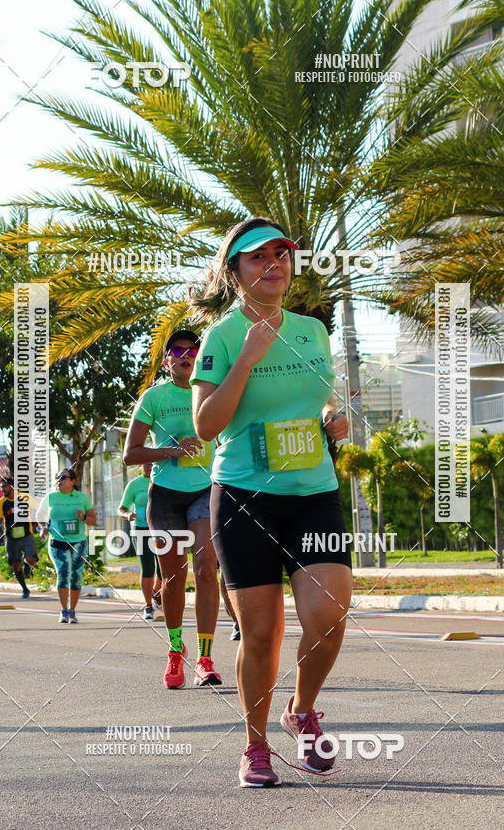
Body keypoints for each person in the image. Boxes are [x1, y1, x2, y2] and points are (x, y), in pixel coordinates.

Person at [190, 217, 352, 787]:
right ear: (234, 272)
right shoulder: (223, 337)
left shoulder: (311, 330)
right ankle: (254, 746)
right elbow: (207, 425)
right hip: (243, 498)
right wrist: (247, 358)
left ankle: (302, 711)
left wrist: (333, 420)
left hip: (314, 493)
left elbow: (318, 400)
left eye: (282, 254)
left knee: (328, 616)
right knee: (262, 633)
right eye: (258, 257)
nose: (274, 264)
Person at [124, 330, 222, 689]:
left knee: (206, 570)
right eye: (178, 350)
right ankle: (176, 651)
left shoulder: (213, 392)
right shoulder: (155, 397)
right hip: (164, 495)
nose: (186, 354)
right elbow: (130, 454)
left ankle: (206, 658)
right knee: (174, 579)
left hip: (204, 492)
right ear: (167, 360)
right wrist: (171, 450)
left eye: (193, 349)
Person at [36, 468, 96, 624]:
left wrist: (83, 517)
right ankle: (63, 610)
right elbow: (39, 515)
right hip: (57, 542)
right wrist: (43, 526)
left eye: (63, 477)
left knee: (76, 576)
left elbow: (93, 520)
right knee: (63, 573)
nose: (59, 480)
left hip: (78, 542)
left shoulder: (82, 498)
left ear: (73, 481)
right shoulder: (50, 497)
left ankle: (72, 610)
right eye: (57, 478)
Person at [117, 462, 161, 620]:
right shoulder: (134, 484)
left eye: (152, 464)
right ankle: (148, 606)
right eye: (145, 464)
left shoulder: (163, 479)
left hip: (162, 528)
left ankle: (156, 592)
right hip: (141, 528)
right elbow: (121, 508)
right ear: (141, 466)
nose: (149, 467)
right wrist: (128, 515)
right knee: (148, 567)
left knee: (164, 569)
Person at [0, 476, 38, 599]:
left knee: (31, 559)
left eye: (5, 486)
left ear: (12, 486)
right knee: (15, 564)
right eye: (1, 487)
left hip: (26, 534)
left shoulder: (24, 498)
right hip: (11, 537)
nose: (2, 489)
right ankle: (25, 589)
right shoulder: (1, 502)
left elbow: (38, 508)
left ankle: (27, 563)